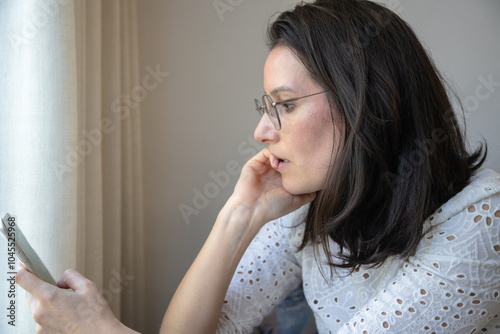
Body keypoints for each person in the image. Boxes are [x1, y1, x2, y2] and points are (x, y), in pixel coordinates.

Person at [16, 0, 500, 333]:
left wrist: (100, 328)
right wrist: (238, 217)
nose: (262, 132)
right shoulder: (314, 203)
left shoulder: (483, 222)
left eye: (286, 105)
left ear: (368, 105)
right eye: (265, 107)